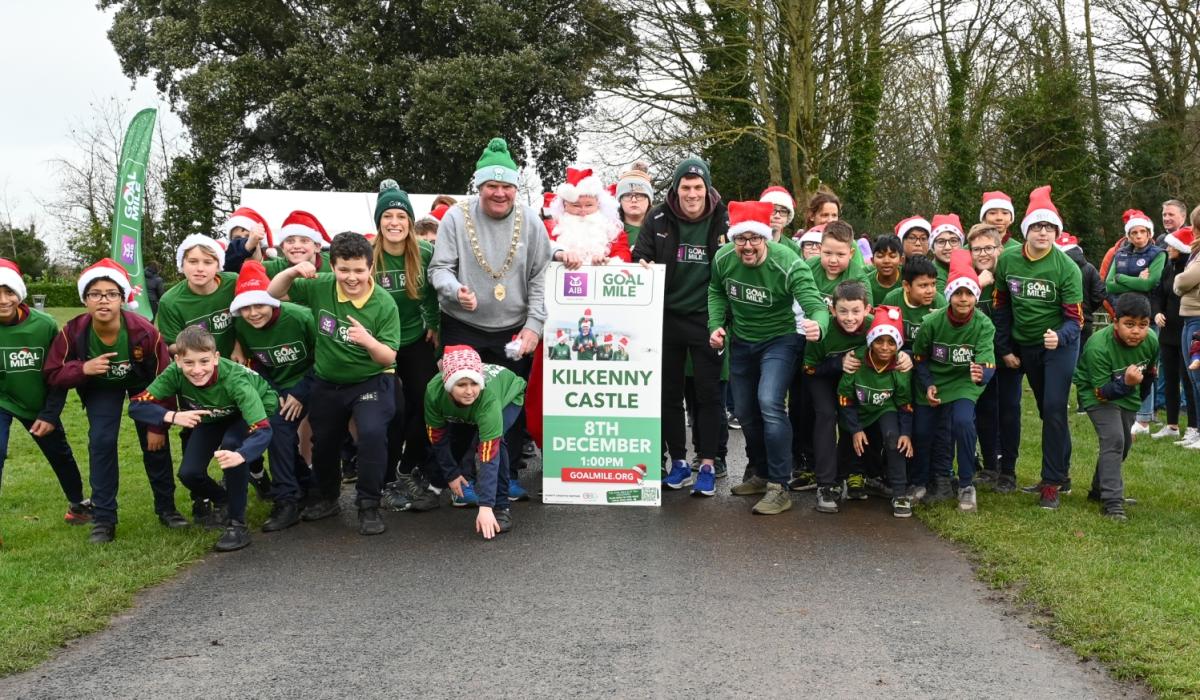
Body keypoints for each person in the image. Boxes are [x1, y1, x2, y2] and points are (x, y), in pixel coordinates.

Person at [428, 137, 551, 499]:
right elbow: (439, 269)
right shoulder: (455, 216)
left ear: (516, 188)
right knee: (461, 401)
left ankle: (505, 477)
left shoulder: (531, 221)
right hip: (463, 325)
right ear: (479, 186)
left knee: (508, 406)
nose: (500, 194)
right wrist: (455, 290)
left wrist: (533, 328)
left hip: (513, 331)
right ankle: (461, 480)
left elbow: (541, 276)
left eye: (507, 187)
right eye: (492, 186)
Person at [268, 232, 401, 535]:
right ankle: (327, 497)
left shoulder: (383, 304)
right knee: (324, 442)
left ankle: (369, 504)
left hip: (371, 380)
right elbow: (275, 292)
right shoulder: (322, 285)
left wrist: (368, 341)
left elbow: (388, 356)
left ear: (370, 269)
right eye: (344, 270)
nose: (351, 277)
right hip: (327, 381)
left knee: (371, 433)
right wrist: (292, 270)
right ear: (333, 266)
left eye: (358, 270)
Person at [44, 259, 183, 544]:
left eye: (111, 294)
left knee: (154, 443)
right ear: (85, 299)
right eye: (95, 294)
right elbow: (53, 372)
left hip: (143, 385)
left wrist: (159, 422)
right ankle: (105, 519)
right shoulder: (73, 331)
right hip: (100, 388)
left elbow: (164, 377)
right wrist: (82, 368)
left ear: (123, 298)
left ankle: (167, 509)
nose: (103, 300)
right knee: (101, 442)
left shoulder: (144, 331)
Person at [707, 201, 828, 513]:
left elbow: (814, 303)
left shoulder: (787, 262)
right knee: (745, 411)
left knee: (770, 403)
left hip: (781, 340)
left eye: (754, 239)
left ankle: (779, 485)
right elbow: (717, 291)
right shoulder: (723, 259)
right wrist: (716, 324)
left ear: (765, 237)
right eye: (740, 240)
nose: (747, 247)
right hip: (743, 341)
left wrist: (819, 324)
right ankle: (761, 473)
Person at [129, 326, 276, 552]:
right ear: (177, 360)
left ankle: (237, 524)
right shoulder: (174, 373)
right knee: (189, 473)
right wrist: (173, 416)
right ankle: (225, 499)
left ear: (216, 358)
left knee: (232, 448)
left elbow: (263, 430)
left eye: (204, 361)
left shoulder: (236, 380)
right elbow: (137, 405)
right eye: (189, 363)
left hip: (249, 412)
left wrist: (241, 455)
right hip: (213, 415)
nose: (197, 370)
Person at [633, 156, 727, 490]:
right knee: (668, 394)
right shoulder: (658, 216)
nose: (691, 194)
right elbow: (639, 255)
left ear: (707, 188)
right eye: (685, 187)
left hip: (707, 316)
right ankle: (679, 462)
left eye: (697, 187)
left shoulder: (723, 218)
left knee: (707, 394)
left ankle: (707, 464)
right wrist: (641, 264)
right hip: (666, 316)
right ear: (676, 188)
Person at [993, 185, 1083, 510]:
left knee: (1056, 408)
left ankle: (1051, 482)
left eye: (1049, 227)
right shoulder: (1008, 261)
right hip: (1027, 346)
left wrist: (1060, 336)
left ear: (1056, 232)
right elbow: (1001, 306)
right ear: (1026, 229)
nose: (1043, 232)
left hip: (1059, 347)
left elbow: (1077, 321)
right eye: (1037, 226)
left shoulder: (1066, 268)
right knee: (1048, 410)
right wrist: (1004, 347)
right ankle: (1064, 473)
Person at [0, 259, 91, 542]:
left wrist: (50, 414)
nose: (3, 300)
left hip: (38, 401)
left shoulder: (45, 325)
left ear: (19, 293)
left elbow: (60, 373)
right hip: (3, 399)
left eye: (8, 291)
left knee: (59, 452)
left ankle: (79, 506)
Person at [230, 260, 318, 532]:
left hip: (315, 382)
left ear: (273, 302)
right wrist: (273, 392)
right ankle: (292, 495)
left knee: (287, 431)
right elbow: (257, 363)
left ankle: (301, 490)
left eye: (260, 305)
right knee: (275, 429)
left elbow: (324, 356)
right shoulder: (242, 327)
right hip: (277, 388)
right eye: (246, 307)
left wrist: (300, 393)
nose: (254, 313)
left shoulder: (301, 317)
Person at [371, 181, 440, 510]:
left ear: (410, 221)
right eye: (388, 216)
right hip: (380, 343)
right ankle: (385, 480)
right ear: (379, 222)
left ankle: (409, 465)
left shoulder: (424, 252)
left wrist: (435, 324)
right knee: (392, 411)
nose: (394, 222)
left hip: (414, 337)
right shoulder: (370, 255)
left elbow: (433, 294)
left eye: (401, 215)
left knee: (425, 405)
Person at [912, 249, 995, 512]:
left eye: (969, 293)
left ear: (975, 296)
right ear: (949, 296)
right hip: (934, 379)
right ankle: (921, 482)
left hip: (964, 382)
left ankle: (967, 484)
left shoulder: (984, 324)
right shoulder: (932, 322)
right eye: (958, 293)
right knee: (923, 431)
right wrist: (928, 384)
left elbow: (987, 362)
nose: (963, 299)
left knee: (963, 424)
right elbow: (919, 357)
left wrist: (981, 373)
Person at [426, 345, 525, 539]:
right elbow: (437, 437)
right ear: (448, 385)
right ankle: (438, 484)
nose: (470, 391)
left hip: (508, 395)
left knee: (496, 442)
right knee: (457, 436)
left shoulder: (488, 400)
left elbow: (489, 455)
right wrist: (452, 474)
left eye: (474, 384)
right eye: (461, 385)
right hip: (464, 407)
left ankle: (501, 505)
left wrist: (486, 506)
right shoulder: (433, 392)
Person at [1074, 293, 1158, 520]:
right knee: (1114, 439)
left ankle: (1098, 489)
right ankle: (1112, 502)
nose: (1136, 331)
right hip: (1095, 393)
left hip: (1128, 393)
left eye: (1143, 325)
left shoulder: (1151, 340)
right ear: (1115, 322)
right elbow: (1101, 392)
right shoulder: (1098, 346)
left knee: (1124, 444)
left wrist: (1136, 396)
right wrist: (1126, 383)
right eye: (1129, 324)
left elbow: (1149, 374)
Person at [804, 281, 874, 512]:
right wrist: (838, 363)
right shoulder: (822, 329)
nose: (850, 317)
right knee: (826, 414)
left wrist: (904, 357)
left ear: (867, 309)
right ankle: (825, 484)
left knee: (853, 416)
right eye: (843, 311)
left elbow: (894, 345)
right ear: (832, 310)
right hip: (822, 376)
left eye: (856, 311)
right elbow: (809, 368)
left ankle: (848, 474)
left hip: (855, 380)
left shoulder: (873, 326)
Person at [839, 306, 914, 517]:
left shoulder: (900, 367)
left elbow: (904, 403)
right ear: (870, 340)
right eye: (879, 341)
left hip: (884, 408)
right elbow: (845, 397)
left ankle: (899, 493)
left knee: (894, 439)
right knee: (849, 437)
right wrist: (854, 429)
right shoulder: (857, 360)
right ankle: (852, 476)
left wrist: (906, 433)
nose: (884, 347)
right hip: (856, 408)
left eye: (891, 342)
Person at [1106, 209, 1165, 435]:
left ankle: (1143, 418)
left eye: (1142, 231)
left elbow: (1150, 284)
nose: (1138, 236)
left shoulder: (1158, 254)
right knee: (1120, 363)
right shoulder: (1120, 254)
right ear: (1128, 235)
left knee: (1146, 366)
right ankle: (1122, 406)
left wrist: (1122, 279)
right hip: (1122, 315)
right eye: (1134, 232)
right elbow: (1108, 284)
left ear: (1150, 233)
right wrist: (1133, 281)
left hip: (1145, 316)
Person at [157, 234, 240, 357]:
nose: (200, 268)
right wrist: (198, 350)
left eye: (208, 262)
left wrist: (239, 348)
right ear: (182, 264)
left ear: (218, 265)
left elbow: (247, 320)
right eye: (193, 261)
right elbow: (172, 346)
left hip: (236, 361)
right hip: (199, 369)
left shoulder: (234, 282)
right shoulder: (169, 301)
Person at [1156, 226, 1198, 445]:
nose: (1167, 248)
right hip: (1167, 332)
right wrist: (1157, 312)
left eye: (1172, 245)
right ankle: (1171, 424)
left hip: (1186, 330)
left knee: (1188, 380)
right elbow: (1159, 293)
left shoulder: (1190, 267)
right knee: (1170, 378)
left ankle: (1193, 426)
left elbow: (1182, 289)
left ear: (1181, 248)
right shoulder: (1168, 267)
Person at [549, 167, 631, 267]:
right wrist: (559, 253)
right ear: (564, 205)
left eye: (589, 205)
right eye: (576, 205)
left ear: (598, 204)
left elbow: (623, 255)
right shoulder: (551, 228)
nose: (583, 212)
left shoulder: (612, 229)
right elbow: (541, 249)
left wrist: (607, 261)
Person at [1172, 210, 1200, 451]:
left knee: (1198, 378)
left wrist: (1180, 282)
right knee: (1192, 379)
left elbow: (1182, 281)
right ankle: (1197, 430)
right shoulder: (1196, 252)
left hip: (1197, 319)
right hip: (1189, 317)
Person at [264, 211, 333, 277]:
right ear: (282, 247)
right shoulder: (273, 267)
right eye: (290, 241)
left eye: (304, 241)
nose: (297, 246)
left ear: (317, 247)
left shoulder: (333, 262)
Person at [221, 206, 272, 273]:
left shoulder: (275, 266)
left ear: (260, 239)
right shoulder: (227, 270)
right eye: (237, 238)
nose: (243, 241)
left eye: (249, 236)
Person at [617, 161, 654, 250]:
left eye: (640, 195)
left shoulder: (661, 230)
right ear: (620, 200)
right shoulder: (610, 230)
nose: (634, 200)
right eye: (627, 195)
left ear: (649, 200)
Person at [928, 214, 964, 292]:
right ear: (933, 248)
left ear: (961, 245)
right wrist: (978, 283)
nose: (947, 247)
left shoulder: (964, 263)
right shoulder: (931, 274)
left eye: (953, 241)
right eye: (941, 242)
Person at [760, 186, 801, 253]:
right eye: (772, 210)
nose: (777, 215)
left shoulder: (794, 249)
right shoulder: (749, 244)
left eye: (783, 211)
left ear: (788, 217)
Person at [866, 234, 904, 304]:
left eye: (892, 256)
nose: (886, 261)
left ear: (901, 260)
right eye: (880, 256)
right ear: (872, 261)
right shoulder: (865, 284)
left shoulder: (909, 280)